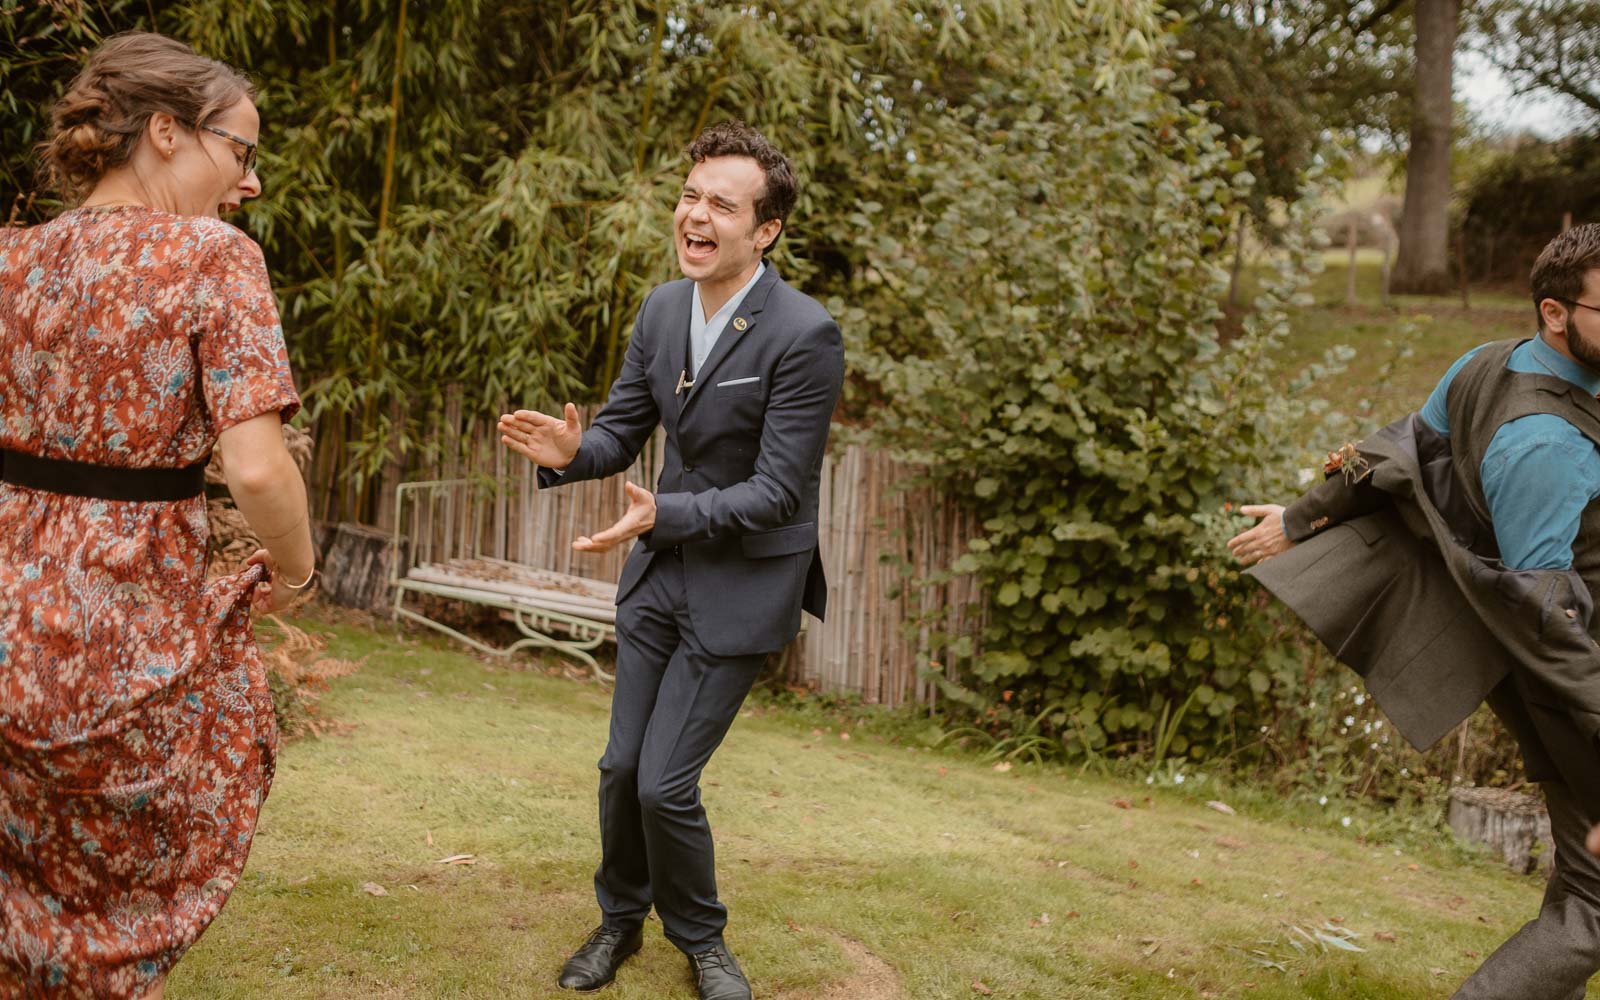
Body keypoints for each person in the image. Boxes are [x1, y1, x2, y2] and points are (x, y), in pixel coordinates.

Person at [499, 120, 844, 1000]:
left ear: (763, 230)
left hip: (742, 585)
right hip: (656, 576)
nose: (696, 215)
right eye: (690, 196)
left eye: (721, 204)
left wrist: (666, 512)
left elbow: (778, 491)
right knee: (620, 770)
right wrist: (572, 454)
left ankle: (704, 940)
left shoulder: (805, 334)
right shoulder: (659, 309)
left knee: (664, 785)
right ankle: (619, 923)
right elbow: (622, 428)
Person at [0, 32, 313, 999]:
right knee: (131, 884)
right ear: (169, 132)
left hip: (6, 624)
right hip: (125, 638)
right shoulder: (215, 258)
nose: (249, 183)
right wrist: (295, 573)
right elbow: (258, 471)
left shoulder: (10, 258)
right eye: (243, 151)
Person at [1230, 223, 1600, 999]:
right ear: (1555, 312)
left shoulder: (1484, 364)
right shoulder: (1546, 444)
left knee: (1583, 884)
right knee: (1593, 907)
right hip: (1577, 689)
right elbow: (1544, 619)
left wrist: (1302, 516)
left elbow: (1391, 449)